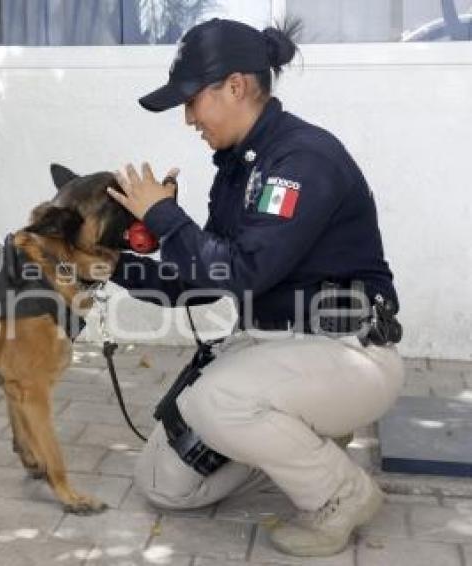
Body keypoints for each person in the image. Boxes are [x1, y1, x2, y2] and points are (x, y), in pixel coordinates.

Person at [106, 18, 404, 557]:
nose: (188, 117)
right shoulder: (238, 171)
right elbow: (203, 281)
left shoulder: (301, 161)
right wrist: (112, 265)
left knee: (216, 400)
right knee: (163, 485)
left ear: (236, 86)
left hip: (347, 353)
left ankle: (341, 494)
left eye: (191, 100)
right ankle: (305, 442)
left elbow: (244, 272)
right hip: (274, 352)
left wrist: (168, 218)